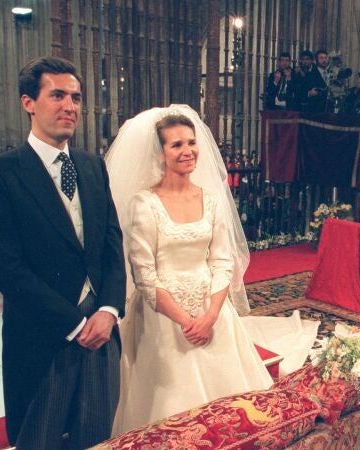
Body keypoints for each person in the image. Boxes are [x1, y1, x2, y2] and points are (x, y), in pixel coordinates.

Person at [0, 56, 125, 449]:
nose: (69, 106)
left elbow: (112, 243)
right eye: (57, 95)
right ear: (28, 102)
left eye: (75, 97)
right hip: (42, 338)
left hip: (102, 336)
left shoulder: (93, 167)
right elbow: (6, 268)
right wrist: (76, 323)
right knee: (37, 440)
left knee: (96, 439)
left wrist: (108, 310)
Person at [106, 105, 287, 435]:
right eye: (176, 145)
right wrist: (186, 321)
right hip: (164, 316)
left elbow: (221, 261)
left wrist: (210, 316)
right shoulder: (144, 203)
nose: (187, 151)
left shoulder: (212, 200)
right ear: (160, 154)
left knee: (234, 409)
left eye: (191, 142)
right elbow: (145, 276)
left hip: (212, 309)